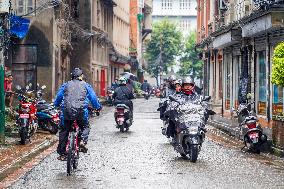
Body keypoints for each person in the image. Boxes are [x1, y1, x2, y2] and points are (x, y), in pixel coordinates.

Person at [54, 68, 102, 161]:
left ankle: (63, 153)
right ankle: (83, 141)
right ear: (81, 76)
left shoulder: (66, 85)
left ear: (72, 76)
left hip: (66, 112)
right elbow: (93, 97)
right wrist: (97, 107)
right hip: (81, 112)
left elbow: (59, 97)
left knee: (64, 130)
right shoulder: (86, 85)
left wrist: (56, 105)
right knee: (85, 126)